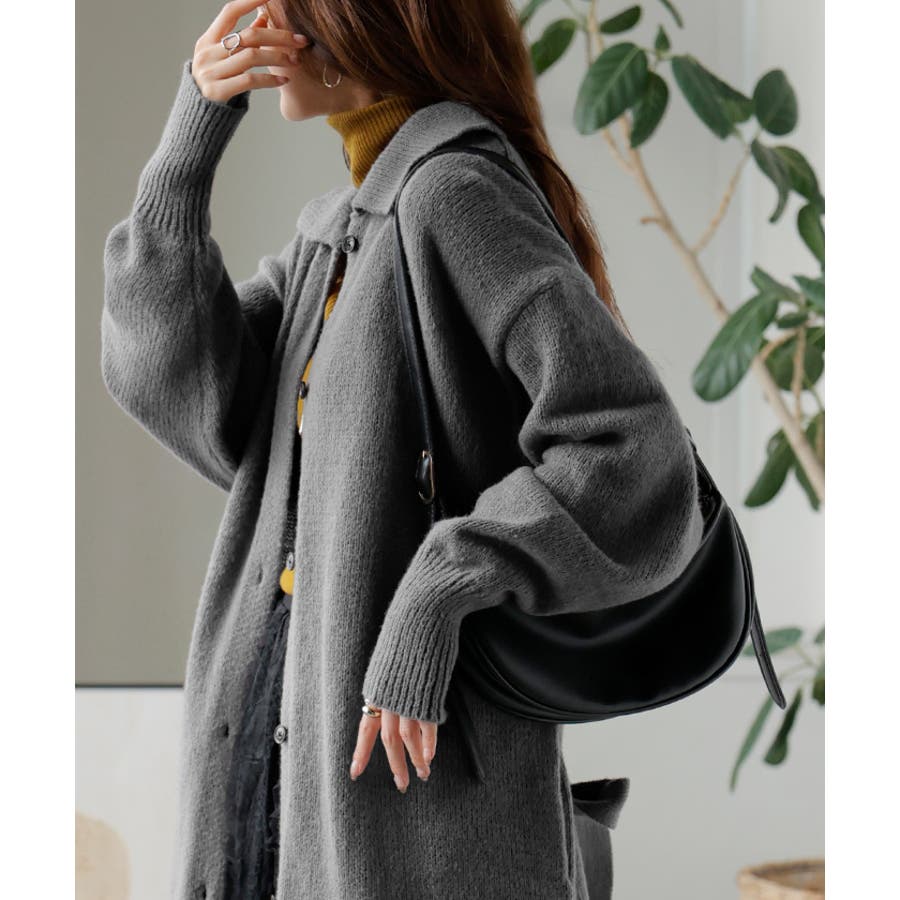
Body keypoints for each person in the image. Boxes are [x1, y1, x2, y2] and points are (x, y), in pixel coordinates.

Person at [100, 1, 704, 897]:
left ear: (347, 28)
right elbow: (185, 391)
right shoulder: (337, 235)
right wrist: (187, 147)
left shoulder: (454, 195)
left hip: (407, 789)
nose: (258, 18)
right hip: (276, 757)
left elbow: (630, 449)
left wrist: (441, 585)